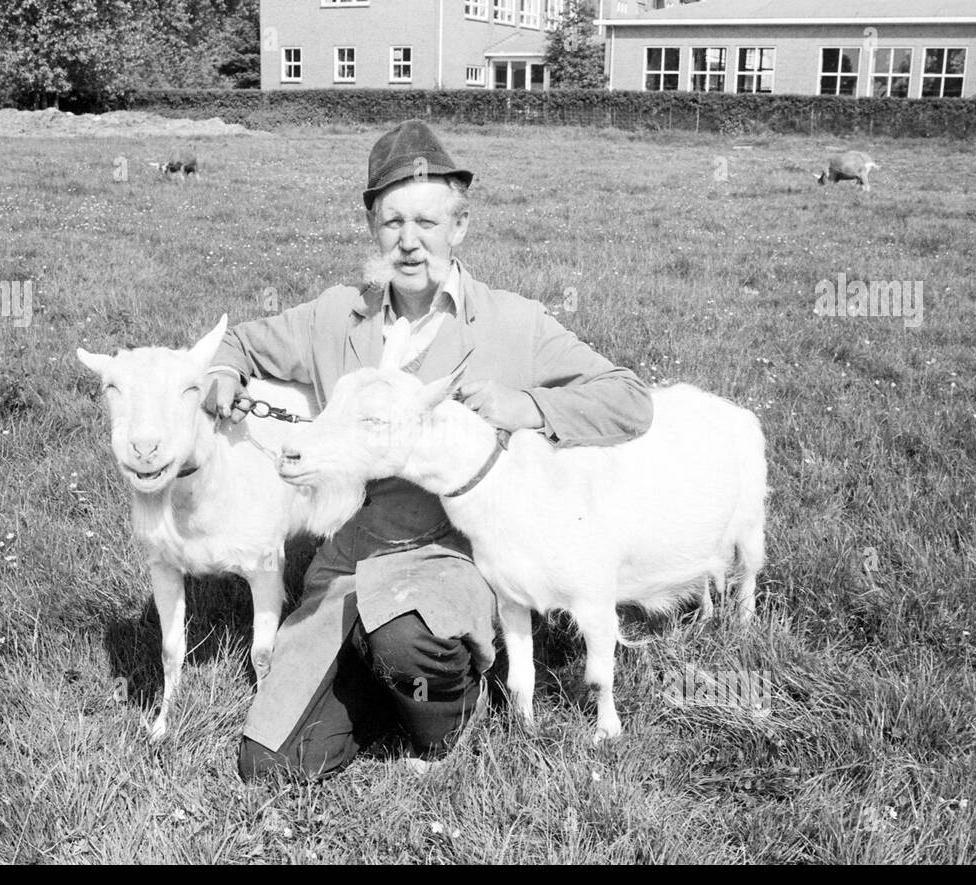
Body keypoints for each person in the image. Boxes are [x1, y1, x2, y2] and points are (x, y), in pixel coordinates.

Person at [204, 120, 652, 781]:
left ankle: (445, 705)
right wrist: (221, 376)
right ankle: (382, 683)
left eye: (428, 222)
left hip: (453, 560)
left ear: (459, 227)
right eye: (391, 223)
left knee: (408, 640)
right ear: (371, 227)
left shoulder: (512, 324)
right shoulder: (337, 314)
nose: (409, 242)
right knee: (271, 762)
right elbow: (239, 341)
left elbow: (630, 399)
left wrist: (525, 407)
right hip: (350, 565)